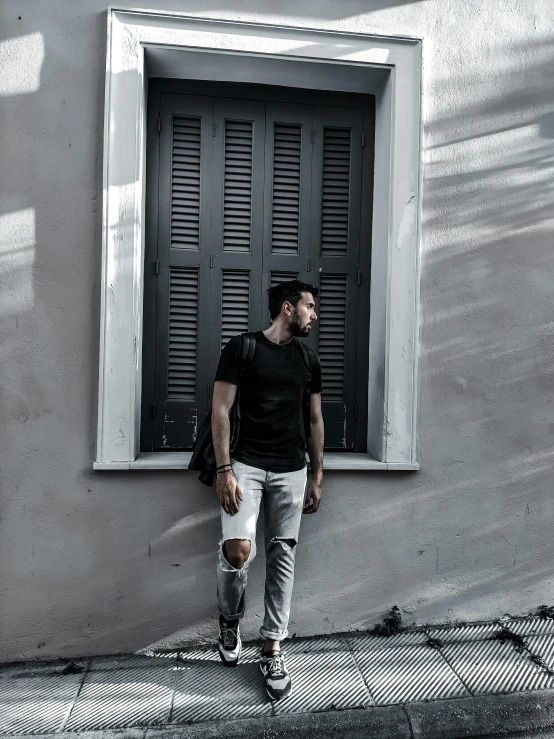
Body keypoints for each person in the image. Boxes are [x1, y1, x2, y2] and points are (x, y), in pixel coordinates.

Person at [211, 280, 324, 701]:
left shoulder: (309, 359)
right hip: (246, 465)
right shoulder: (243, 349)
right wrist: (225, 469)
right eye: (310, 307)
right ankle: (229, 617)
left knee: (283, 554)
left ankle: (273, 646)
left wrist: (316, 475)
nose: (315, 315)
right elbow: (220, 408)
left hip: (292, 469)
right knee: (237, 550)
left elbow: (314, 420)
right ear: (287, 308)